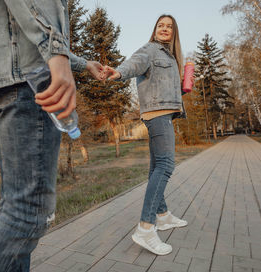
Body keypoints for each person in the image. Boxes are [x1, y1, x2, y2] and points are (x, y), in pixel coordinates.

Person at [0, 0, 102, 271]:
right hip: (29, 76)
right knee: (28, 215)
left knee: (17, 213)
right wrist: (57, 53)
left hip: (9, 71)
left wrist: (80, 63)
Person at [103, 14, 188, 256]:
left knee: (156, 168)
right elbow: (134, 63)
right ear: (154, 29)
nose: (165, 29)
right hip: (157, 114)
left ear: (174, 32)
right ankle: (146, 227)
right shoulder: (150, 50)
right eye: (161, 25)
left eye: (169, 26)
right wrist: (117, 73)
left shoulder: (169, 56)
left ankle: (162, 216)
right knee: (165, 166)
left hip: (163, 113)